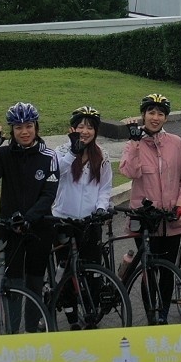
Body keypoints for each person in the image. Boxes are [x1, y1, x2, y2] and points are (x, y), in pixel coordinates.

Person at [119, 93, 181, 323]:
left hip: (171, 218)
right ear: (143, 115)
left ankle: (162, 315)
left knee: (168, 270)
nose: (155, 117)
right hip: (144, 219)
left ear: (166, 118)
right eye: (151, 112)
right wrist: (134, 143)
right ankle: (152, 315)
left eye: (160, 113)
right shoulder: (134, 143)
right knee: (148, 271)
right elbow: (129, 171)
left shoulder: (176, 143)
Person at [0, 101, 59, 309]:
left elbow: (48, 196)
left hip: (38, 229)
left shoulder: (49, 157)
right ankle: (13, 337)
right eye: (18, 128)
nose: (24, 132)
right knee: (13, 286)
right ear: (12, 130)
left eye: (29, 126)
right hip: (11, 229)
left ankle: (32, 334)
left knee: (35, 286)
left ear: (36, 127)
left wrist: (28, 218)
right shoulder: (5, 154)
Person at [52, 105, 114, 264]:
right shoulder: (61, 151)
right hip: (63, 220)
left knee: (91, 269)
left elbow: (105, 187)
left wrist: (101, 207)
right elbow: (56, 173)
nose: (85, 131)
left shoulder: (101, 155)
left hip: (90, 221)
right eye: (81, 127)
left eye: (90, 127)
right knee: (64, 270)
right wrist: (73, 153)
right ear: (72, 129)